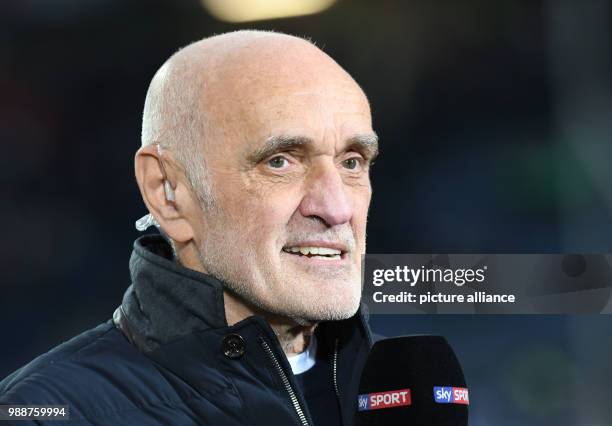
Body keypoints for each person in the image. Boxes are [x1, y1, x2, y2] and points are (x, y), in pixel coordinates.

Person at [0, 30, 379, 425]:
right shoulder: (42, 414)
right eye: (280, 161)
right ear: (168, 192)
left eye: (352, 162)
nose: (336, 208)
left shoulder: (419, 392)